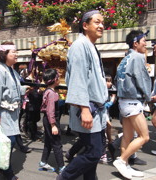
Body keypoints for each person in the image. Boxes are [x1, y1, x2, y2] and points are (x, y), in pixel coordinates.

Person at [57, 10, 108, 180]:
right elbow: (78, 79)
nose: (101, 25)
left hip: (97, 110)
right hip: (89, 109)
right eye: (97, 22)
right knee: (94, 152)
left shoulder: (90, 46)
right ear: (85, 25)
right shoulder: (79, 46)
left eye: (102, 22)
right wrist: (85, 109)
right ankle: (64, 177)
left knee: (92, 151)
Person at [0, 41, 31, 180]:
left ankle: (1, 165)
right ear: (5, 55)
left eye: (16, 52)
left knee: (8, 141)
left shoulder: (12, 70)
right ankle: (7, 171)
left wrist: (24, 89)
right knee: (8, 141)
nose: (17, 54)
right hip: (2, 112)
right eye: (13, 52)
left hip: (13, 112)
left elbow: (12, 88)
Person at [113, 30, 151, 179]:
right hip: (132, 101)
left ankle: (126, 165)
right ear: (135, 43)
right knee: (144, 136)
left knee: (127, 137)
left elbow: (117, 80)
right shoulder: (137, 57)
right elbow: (142, 79)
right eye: (144, 41)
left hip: (123, 101)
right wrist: (149, 96)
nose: (146, 44)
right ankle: (122, 161)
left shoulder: (126, 57)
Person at [38, 69, 65, 173]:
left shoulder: (47, 91)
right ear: (55, 79)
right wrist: (53, 125)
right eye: (58, 77)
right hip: (51, 120)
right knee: (57, 143)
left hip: (47, 119)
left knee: (48, 142)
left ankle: (43, 162)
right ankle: (62, 167)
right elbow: (50, 110)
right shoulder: (52, 93)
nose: (59, 78)